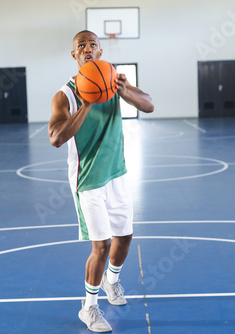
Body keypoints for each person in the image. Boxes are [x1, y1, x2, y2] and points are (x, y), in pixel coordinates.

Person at [48, 30, 154, 332]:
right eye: (81, 46)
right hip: (88, 181)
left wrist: (124, 92)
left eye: (93, 44)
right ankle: (89, 308)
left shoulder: (114, 81)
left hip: (117, 173)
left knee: (125, 237)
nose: (88, 49)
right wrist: (86, 105)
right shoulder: (65, 94)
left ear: (100, 51)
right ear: (74, 55)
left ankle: (112, 281)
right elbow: (55, 138)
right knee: (102, 245)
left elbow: (149, 105)